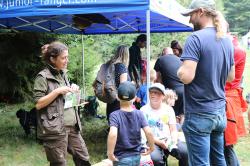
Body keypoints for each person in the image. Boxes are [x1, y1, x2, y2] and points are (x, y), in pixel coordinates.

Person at [178, 0, 235, 165]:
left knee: (200, 163)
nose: (189, 20)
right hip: (219, 113)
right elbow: (230, 76)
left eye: (191, 15)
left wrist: (179, 70)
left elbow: (186, 76)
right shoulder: (226, 39)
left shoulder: (195, 38)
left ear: (201, 11)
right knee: (219, 160)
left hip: (199, 114)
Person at [33, 41, 91, 166]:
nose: (67, 60)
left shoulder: (63, 73)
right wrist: (57, 91)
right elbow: (38, 104)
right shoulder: (42, 77)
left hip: (72, 126)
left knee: (83, 158)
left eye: (67, 57)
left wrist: (73, 91)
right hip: (56, 129)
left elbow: (64, 100)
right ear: (53, 59)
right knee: (59, 163)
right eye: (64, 58)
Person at [107, 81, 155, 166]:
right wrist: (152, 147)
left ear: (117, 97)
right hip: (136, 156)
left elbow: (113, 134)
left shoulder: (114, 115)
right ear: (134, 98)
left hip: (121, 158)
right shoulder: (139, 114)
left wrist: (110, 153)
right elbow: (149, 132)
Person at [141, 83, 188, 166]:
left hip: (169, 139)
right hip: (152, 141)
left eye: (157, 93)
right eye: (152, 92)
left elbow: (173, 129)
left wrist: (173, 142)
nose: (153, 95)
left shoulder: (169, 109)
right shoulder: (143, 110)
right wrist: (159, 142)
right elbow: (144, 133)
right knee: (155, 158)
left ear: (163, 96)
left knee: (185, 152)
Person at [224, 35, 247, 166]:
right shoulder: (238, 50)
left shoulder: (234, 51)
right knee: (226, 146)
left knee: (227, 145)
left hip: (228, 100)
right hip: (231, 98)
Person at [154, 48, 184, 125]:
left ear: (163, 53)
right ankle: (180, 133)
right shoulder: (180, 59)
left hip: (171, 92)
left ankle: (172, 133)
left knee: (170, 114)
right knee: (182, 114)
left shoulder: (160, 59)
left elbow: (156, 77)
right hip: (184, 90)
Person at [106, 45, 130, 122]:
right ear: (126, 54)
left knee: (113, 121)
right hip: (118, 100)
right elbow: (123, 86)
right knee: (119, 123)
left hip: (111, 96)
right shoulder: (121, 66)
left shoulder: (111, 64)